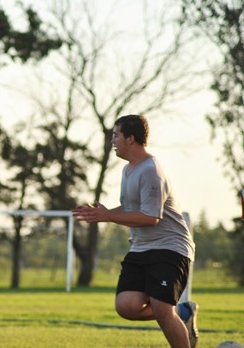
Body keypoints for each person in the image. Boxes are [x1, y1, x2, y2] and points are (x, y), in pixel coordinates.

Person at [72, 115, 198, 348]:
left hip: (170, 246)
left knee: (161, 310)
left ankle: (174, 317)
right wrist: (105, 213)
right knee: (126, 306)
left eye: (116, 135)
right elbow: (132, 209)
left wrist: (108, 216)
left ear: (131, 138)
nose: (112, 141)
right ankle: (183, 312)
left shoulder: (152, 170)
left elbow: (151, 217)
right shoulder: (128, 170)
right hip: (141, 248)